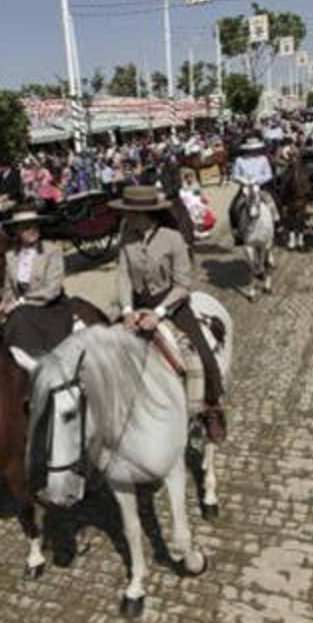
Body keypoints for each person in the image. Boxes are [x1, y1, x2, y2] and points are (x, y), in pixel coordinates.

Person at [111, 185, 226, 444]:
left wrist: (159, 313)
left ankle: (212, 410)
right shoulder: (126, 236)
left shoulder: (173, 238)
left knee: (203, 355)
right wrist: (127, 310)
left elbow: (183, 285)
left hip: (171, 304)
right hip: (138, 303)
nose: (125, 217)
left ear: (145, 214)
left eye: (129, 213)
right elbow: (123, 275)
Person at [0, 210, 72, 355]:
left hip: (50, 307)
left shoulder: (52, 250)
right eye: (26, 228)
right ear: (17, 232)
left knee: (20, 318)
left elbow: (52, 290)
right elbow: (9, 289)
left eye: (34, 226)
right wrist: (5, 304)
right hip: (21, 309)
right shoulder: (11, 255)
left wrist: (20, 302)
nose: (32, 230)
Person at [229, 137, 274, 247]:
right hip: (245, 188)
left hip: (260, 187)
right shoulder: (240, 160)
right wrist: (242, 180)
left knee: (273, 203)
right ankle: (237, 233)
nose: (253, 151)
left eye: (255, 149)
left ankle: (275, 226)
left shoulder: (263, 159)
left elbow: (268, 174)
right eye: (251, 150)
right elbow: (234, 175)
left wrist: (258, 180)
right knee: (233, 208)